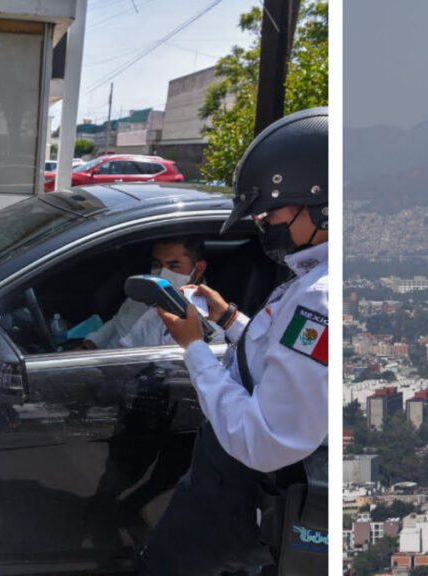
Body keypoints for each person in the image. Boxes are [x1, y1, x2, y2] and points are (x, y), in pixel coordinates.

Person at [140, 107, 329, 575]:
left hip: (241, 489)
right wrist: (227, 318)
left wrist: (194, 349)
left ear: (322, 203)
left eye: (273, 209)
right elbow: (282, 362)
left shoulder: (320, 299)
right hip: (230, 480)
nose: (264, 221)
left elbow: (265, 438)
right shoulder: (311, 275)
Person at [83, 237, 219, 349]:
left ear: (199, 269)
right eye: (157, 265)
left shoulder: (206, 316)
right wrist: (89, 346)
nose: (162, 274)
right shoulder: (143, 290)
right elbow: (118, 322)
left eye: (173, 266)